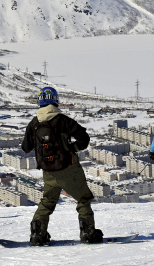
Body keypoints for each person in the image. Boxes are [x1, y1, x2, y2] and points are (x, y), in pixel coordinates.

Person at [21, 87, 102, 246]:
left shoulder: (34, 123)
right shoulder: (63, 120)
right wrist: (71, 149)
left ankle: (38, 234)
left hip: (48, 172)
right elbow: (84, 139)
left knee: (47, 202)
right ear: (56, 100)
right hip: (68, 169)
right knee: (83, 198)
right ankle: (87, 232)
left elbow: (25, 147)